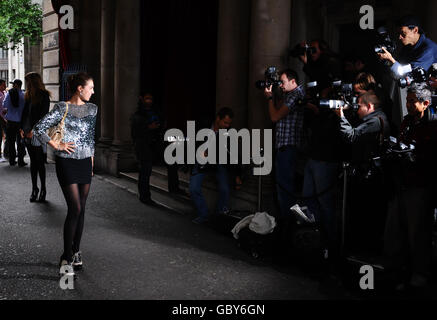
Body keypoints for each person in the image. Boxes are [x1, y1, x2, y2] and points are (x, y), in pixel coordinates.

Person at [33, 72, 97, 276]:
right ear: (80, 89)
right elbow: (38, 128)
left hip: (85, 161)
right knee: (75, 207)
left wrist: (92, 162)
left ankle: (76, 251)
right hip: (67, 162)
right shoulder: (62, 107)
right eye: (91, 87)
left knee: (82, 209)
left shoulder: (93, 109)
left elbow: (90, 137)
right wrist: (56, 144)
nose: (93, 92)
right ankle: (66, 256)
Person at [383, 83, 437, 292]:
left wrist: (415, 156)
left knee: (418, 233)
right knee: (395, 231)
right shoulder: (406, 121)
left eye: (412, 101)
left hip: (420, 186)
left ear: (425, 103)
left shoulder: (433, 125)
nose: (408, 104)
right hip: (401, 182)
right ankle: (397, 271)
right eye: (407, 100)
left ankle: (420, 274)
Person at [337, 91, 390, 253]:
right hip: (368, 173)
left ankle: (363, 251)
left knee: (364, 216)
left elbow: (351, 135)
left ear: (369, 106)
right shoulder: (377, 119)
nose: (357, 109)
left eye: (359, 106)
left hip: (368, 176)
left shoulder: (374, 121)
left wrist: (341, 116)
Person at [264, 69, 305, 218]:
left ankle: (286, 225)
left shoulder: (294, 95)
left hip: (288, 148)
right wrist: (274, 89)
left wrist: (269, 98)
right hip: (285, 147)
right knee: (282, 188)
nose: (281, 85)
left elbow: (275, 117)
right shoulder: (290, 94)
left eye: (283, 82)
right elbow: (280, 107)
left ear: (293, 81)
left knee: (285, 189)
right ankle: (284, 223)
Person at [189, 108, 238, 224]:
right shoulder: (203, 125)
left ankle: (219, 217)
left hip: (218, 161)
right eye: (225, 122)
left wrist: (236, 175)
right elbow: (192, 141)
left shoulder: (229, 133)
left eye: (229, 123)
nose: (227, 125)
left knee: (225, 189)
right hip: (202, 160)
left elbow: (231, 154)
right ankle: (203, 215)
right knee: (194, 188)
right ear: (218, 119)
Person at [20, 73, 51, 202]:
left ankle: (43, 189)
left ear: (33, 82)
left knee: (39, 162)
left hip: (37, 133)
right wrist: (22, 128)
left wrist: (34, 130)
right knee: (33, 162)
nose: (26, 84)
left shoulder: (44, 95)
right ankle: (34, 189)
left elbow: (44, 116)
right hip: (27, 132)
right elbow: (25, 114)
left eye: (28, 82)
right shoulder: (28, 95)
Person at [4, 79, 27, 167]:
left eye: (13, 84)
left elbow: (4, 105)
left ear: (16, 85)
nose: (12, 86)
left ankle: (12, 160)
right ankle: (21, 161)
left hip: (10, 122)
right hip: (20, 122)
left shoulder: (9, 94)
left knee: (11, 141)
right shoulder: (24, 95)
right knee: (20, 142)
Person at [0, 79, 7, 162]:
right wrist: (4, 118)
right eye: (3, 85)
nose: (5, 86)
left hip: (3, 117)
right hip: (1, 118)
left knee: (2, 136)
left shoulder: (3, 93)